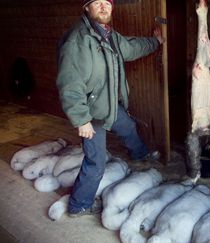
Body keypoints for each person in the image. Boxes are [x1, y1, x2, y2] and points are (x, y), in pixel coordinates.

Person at [56, 0, 164, 217]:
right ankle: (79, 205)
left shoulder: (109, 35)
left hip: (108, 104)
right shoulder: (78, 40)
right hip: (90, 113)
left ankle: (139, 154)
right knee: (96, 162)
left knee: (128, 127)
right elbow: (70, 83)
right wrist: (81, 119)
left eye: (107, 3)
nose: (104, 7)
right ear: (86, 8)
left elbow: (132, 47)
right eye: (97, 3)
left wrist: (156, 41)